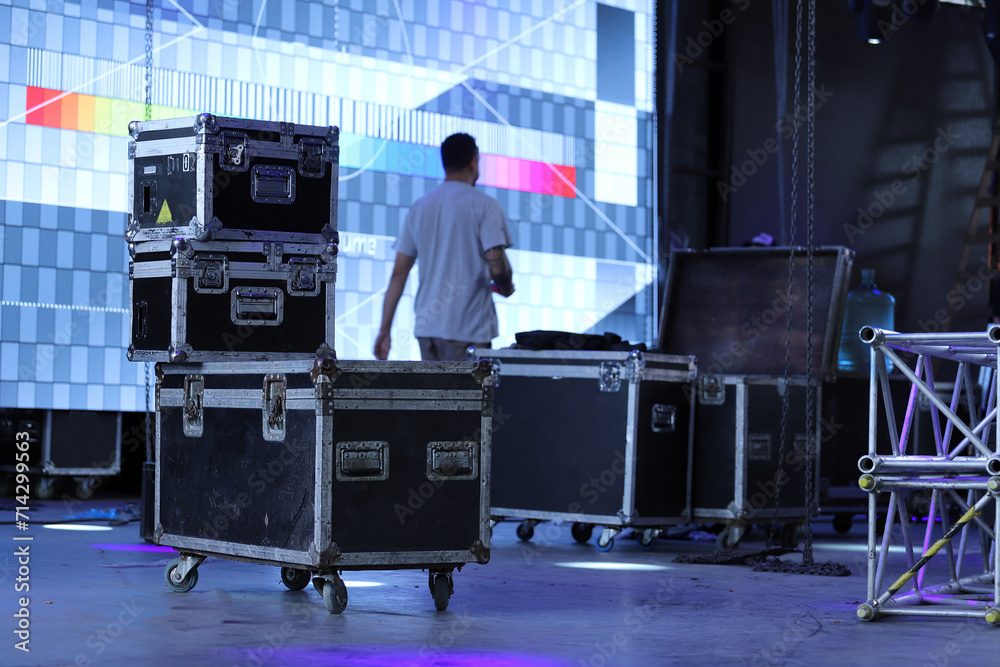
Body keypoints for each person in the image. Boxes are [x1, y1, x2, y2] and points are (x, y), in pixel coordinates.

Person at [374, 133, 515, 361]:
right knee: (470, 397)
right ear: (473, 161)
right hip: (469, 331)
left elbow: (398, 273)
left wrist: (384, 330)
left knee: (434, 396)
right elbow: (497, 269)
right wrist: (507, 286)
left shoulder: (419, 208)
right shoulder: (485, 205)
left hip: (428, 331)